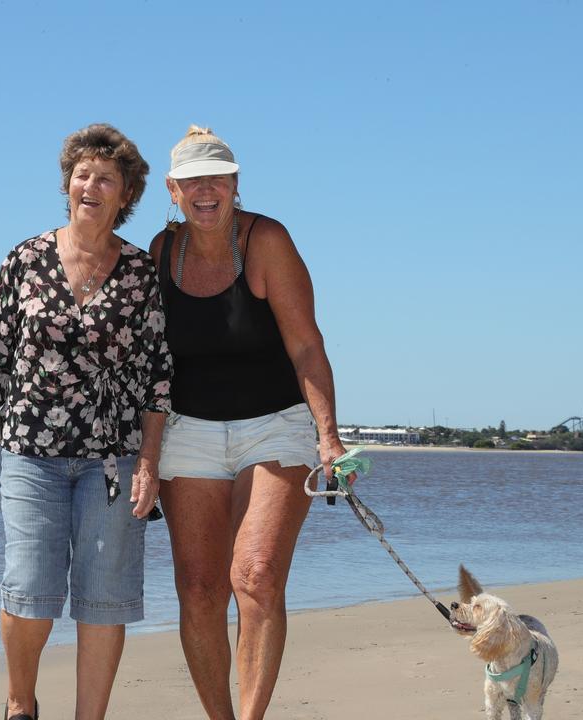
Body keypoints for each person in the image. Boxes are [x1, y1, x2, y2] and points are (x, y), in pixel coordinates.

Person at [0, 123, 172, 720]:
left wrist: (149, 465)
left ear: (126, 195)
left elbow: (158, 378)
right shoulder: (25, 260)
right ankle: (20, 706)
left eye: (106, 178)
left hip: (114, 460)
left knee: (105, 602)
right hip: (29, 453)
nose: (91, 186)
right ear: (66, 184)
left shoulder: (138, 274)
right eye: (82, 174)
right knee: (28, 592)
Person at [149, 126, 352, 720]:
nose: (205, 190)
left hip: (276, 425)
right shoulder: (162, 252)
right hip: (188, 430)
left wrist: (330, 437)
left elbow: (308, 349)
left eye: (218, 178)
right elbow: (145, 360)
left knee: (256, 577)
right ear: (172, 190)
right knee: (199, 589)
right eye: (192, 181)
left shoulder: (267, 241)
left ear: (236, 185)